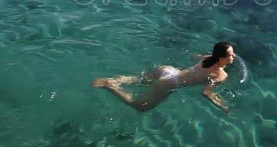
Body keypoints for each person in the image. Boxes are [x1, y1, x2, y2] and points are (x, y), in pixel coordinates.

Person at [92, 42, 236, 113]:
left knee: (138, 79)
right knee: (140, 106)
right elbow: (206, 92)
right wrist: (223, 106)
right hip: (169, 83)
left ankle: (115, 80)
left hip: (167, 70)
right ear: (221, 59)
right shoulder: (221, 74)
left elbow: (195, 57)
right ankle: (109, 85)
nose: (233, 57)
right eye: (231, 55)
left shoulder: (209, 57)